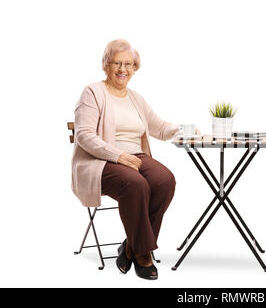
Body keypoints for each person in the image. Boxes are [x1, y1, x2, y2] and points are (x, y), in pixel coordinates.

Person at [71, 39, 190, 280]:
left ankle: (130, 247)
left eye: (128, 64)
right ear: (106, 65)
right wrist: (117, 155)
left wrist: (187, 131)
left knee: (164, 181)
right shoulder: (92, 92)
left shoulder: (136, 98)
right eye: (117, 63)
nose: (123, 69)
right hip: (100, 161)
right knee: (136, 185)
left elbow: (159, 127)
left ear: (135, 67)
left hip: (135, 157)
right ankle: (143, 253)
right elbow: (84, 135)